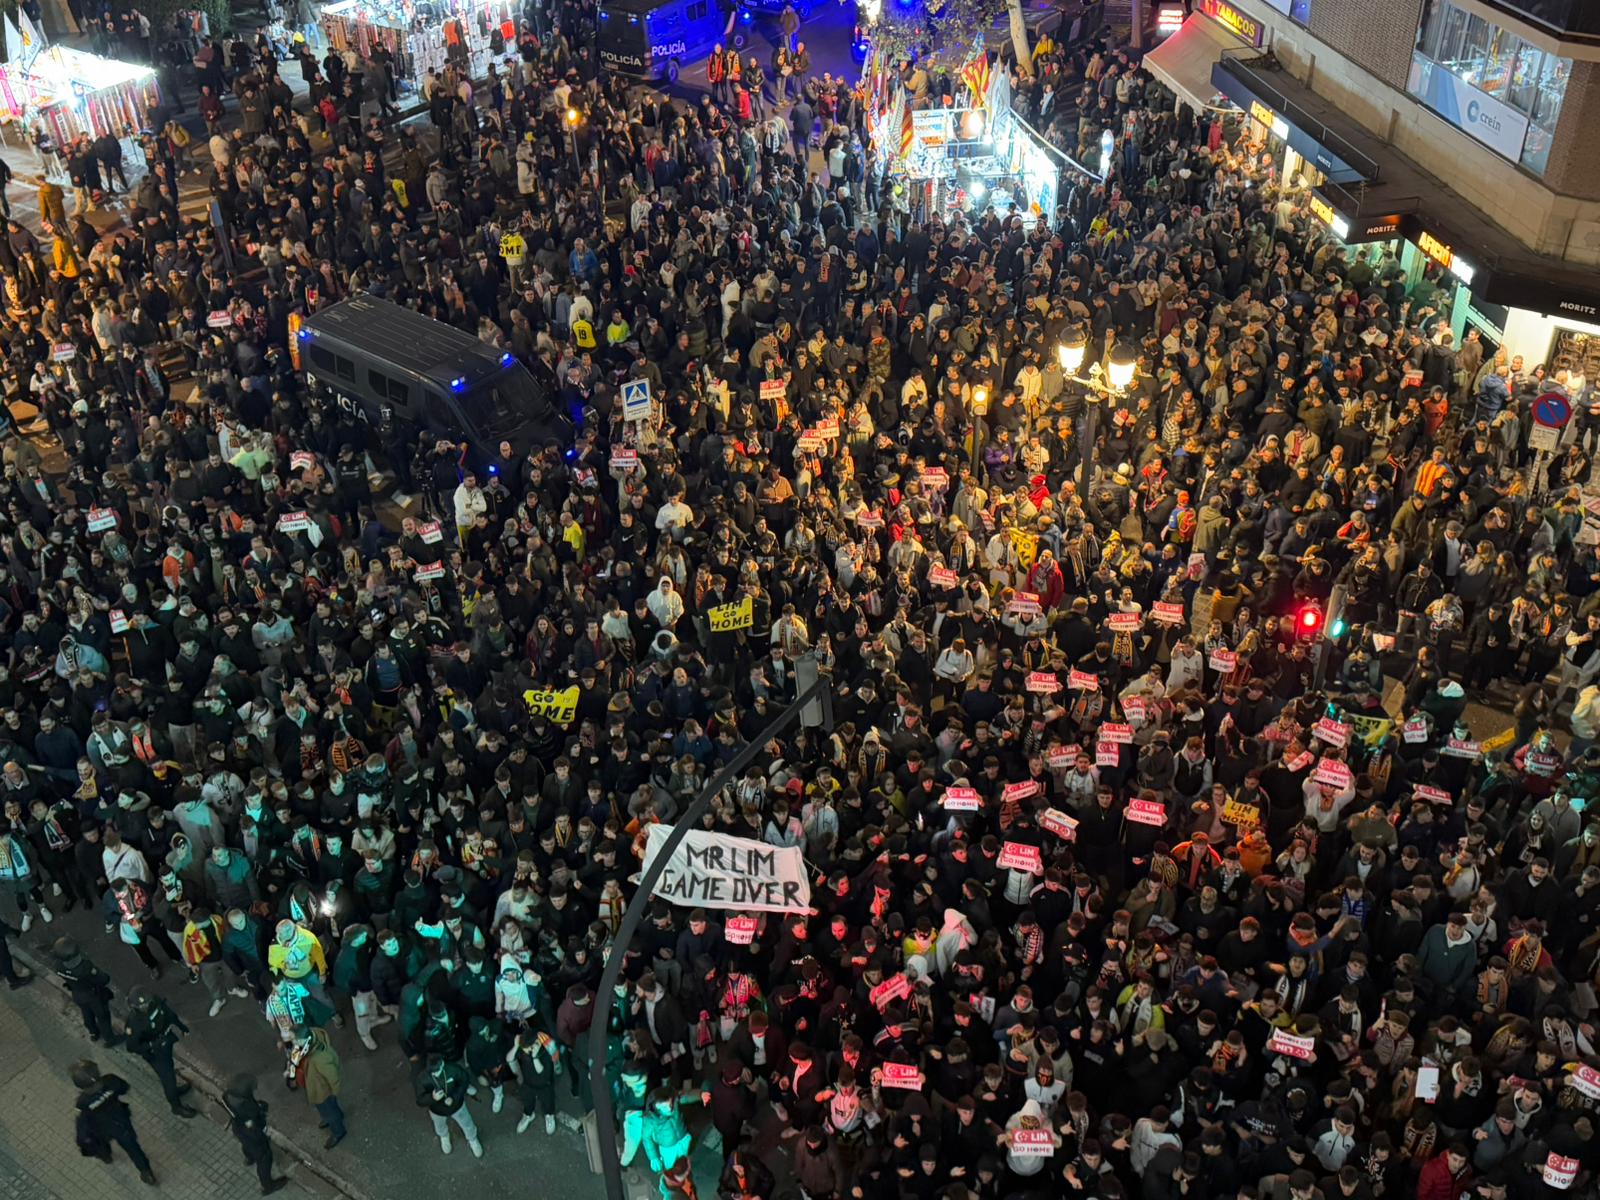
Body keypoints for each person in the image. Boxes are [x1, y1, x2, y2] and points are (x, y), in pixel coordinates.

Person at [72, 1059, 157, 1186]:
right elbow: (124, 1087)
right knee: (133, 1147)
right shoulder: (110, 1081)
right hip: (120, 1122)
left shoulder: (83, 1102)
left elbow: (82, 1122)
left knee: (101, 1144)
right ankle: (146, 1172)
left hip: (99, 1128)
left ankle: (106, 1156)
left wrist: (82, 1140)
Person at [124, 986, 199, 1118]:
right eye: (142, 1005)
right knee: (168, 1079)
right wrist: (152, 1044)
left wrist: (181, 1026)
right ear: (134, 1006)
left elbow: (168, 1013)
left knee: (170, 1065)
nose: (146, 1006)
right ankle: (176, 1106)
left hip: (165, 1041)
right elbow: (132, 1047)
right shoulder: (133, 1023)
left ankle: (175, 1091)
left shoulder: (154, 1001)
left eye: (147, 1003)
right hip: (154, 1053)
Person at [221, 1075, 291, 1195]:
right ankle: (268, 1186)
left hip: (238, 1128)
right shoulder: (250, 1109)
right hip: (252, 1135)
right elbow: (256, 1126)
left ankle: (249, 1158)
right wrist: (261, 1111)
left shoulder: (227, 1095)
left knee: (246, 1145)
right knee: (264, 1157)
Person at [286, 1025, 347, 1150]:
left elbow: (333, 1077)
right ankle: (335, 1115)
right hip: (316, 1084)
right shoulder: (311, 1038)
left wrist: (334, 1093)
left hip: (323, 1091)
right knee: (329, 1108)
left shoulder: (320, 1058)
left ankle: (338, 1131)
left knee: (329, 1110)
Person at [52, 937, 118, 1044]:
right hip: (93, 996)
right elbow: (104, 979)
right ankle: (109, 1039)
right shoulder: (85, 967)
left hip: (77, 994)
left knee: (87, 1014)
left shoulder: (58, 966)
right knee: (103, 1017)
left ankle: (93, 1033)